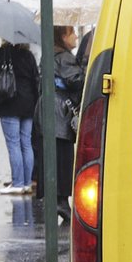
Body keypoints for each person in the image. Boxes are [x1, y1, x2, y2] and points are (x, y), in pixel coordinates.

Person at [33, 25, 83, 219]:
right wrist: (86, 69)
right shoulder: (65, 57)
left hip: (46, 112)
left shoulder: (48, 55)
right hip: (60, 114)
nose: (76, 37)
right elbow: (76, 80)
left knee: (51, 158)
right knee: (62, 159)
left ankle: (54, 201)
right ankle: (61, 203)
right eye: (73, 33)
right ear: (63, 36)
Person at [0, 41, 38, 195]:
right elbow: (35, 79)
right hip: (28, 104)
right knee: (26, 144)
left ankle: (18, 183)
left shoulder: (4, 52)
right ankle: (27, 183)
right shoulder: (29, 55)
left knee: (14, 144)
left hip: (9, 103)